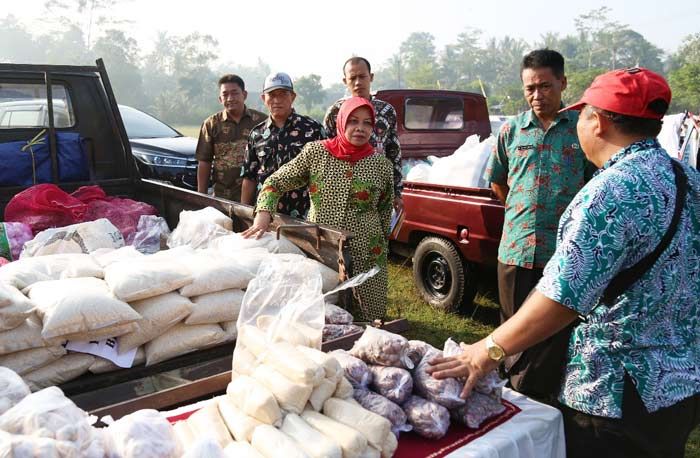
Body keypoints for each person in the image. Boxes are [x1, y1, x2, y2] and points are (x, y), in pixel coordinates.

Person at [429, 67, 700, 458]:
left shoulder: (609, 192)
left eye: (584, 114)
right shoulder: (687, 178)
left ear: (598, 121)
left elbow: (562, 297)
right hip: (679, 386)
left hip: (615, 396)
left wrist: (487, 350)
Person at [483, 49, 593, 402]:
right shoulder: (511, 131)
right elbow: (498, 181)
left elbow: (595, 187)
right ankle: (512, 399)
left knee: (553, 337)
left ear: (563, 83)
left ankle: (541, 404)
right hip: (515, 250)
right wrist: (522, 215)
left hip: (564, 254)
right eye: (529, 88)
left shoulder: (583, 132)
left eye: (545, 86)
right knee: (510, 331)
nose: (536, 95)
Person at [243, 97, 394, 321]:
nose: (360, 128)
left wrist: (381, 246)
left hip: (368, 249)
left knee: (369, 316)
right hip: (323, 246)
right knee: (324, 312)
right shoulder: (316, 153)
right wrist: (263, 214)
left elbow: (384, 210)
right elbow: (274, 183)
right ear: (341, 122)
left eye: (367, 123)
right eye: (353, 121)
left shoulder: (381, 165)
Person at [323, 57, 403, 212]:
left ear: (371, 77)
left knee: (377, 232)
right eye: (352, 78)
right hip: (344, 189)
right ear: (345, 81)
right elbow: (326, 153)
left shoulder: (386, 111)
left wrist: (397, 192)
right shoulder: (335, 112)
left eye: (362, 76)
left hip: (379, 187)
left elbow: (394, 151)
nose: (358, 82)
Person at [240, 72, 325, 218]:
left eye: (283, 94)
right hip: (264, 216)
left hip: (303, 217)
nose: (277, 100)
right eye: (271, 95)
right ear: (263, 98)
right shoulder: (257, 134)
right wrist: (244, 214)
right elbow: (249, 177)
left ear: (293, 97)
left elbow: (325, 176)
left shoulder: (313, 129)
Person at [195, 74, 266, 201]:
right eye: (225, 94)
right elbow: (204, 161)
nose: (230, 98)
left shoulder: (262, 122)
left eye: (234, 93)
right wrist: (202, 197)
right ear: (220, 99)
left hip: (257, 197)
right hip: (222, 196)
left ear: (244, 95)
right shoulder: (211, 124)